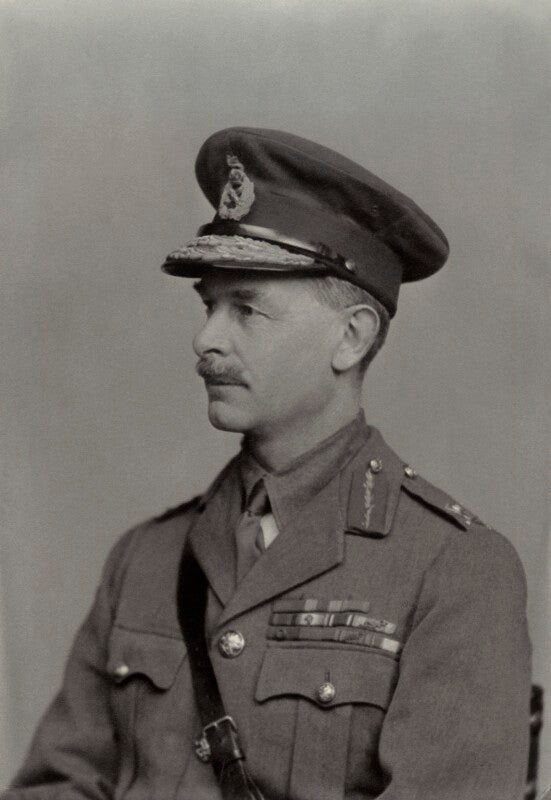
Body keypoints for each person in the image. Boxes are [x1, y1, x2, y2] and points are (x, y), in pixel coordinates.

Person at [3, 127, 531, 800]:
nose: (205, 339)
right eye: (209, 306)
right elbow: (58, 785)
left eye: (246, 309)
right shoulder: (145, 558)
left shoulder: (453, 570)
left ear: (351, 336)